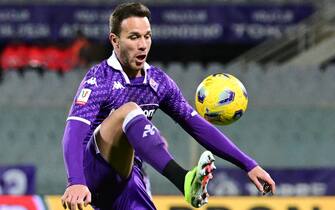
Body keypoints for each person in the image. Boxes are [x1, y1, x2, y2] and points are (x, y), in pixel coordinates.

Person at [61, 2, 275, 210]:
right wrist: (75, 181)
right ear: (115, 41)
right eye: (134, 37)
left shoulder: (158, 82)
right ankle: (184, 180)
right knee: (129, 111)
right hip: (91, 170)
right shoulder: (99, 79)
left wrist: (249, 164)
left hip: (127, 179)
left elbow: (197, 125)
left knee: (136, 125)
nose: (143, 44)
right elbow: (74, 130)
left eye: (147, 36)